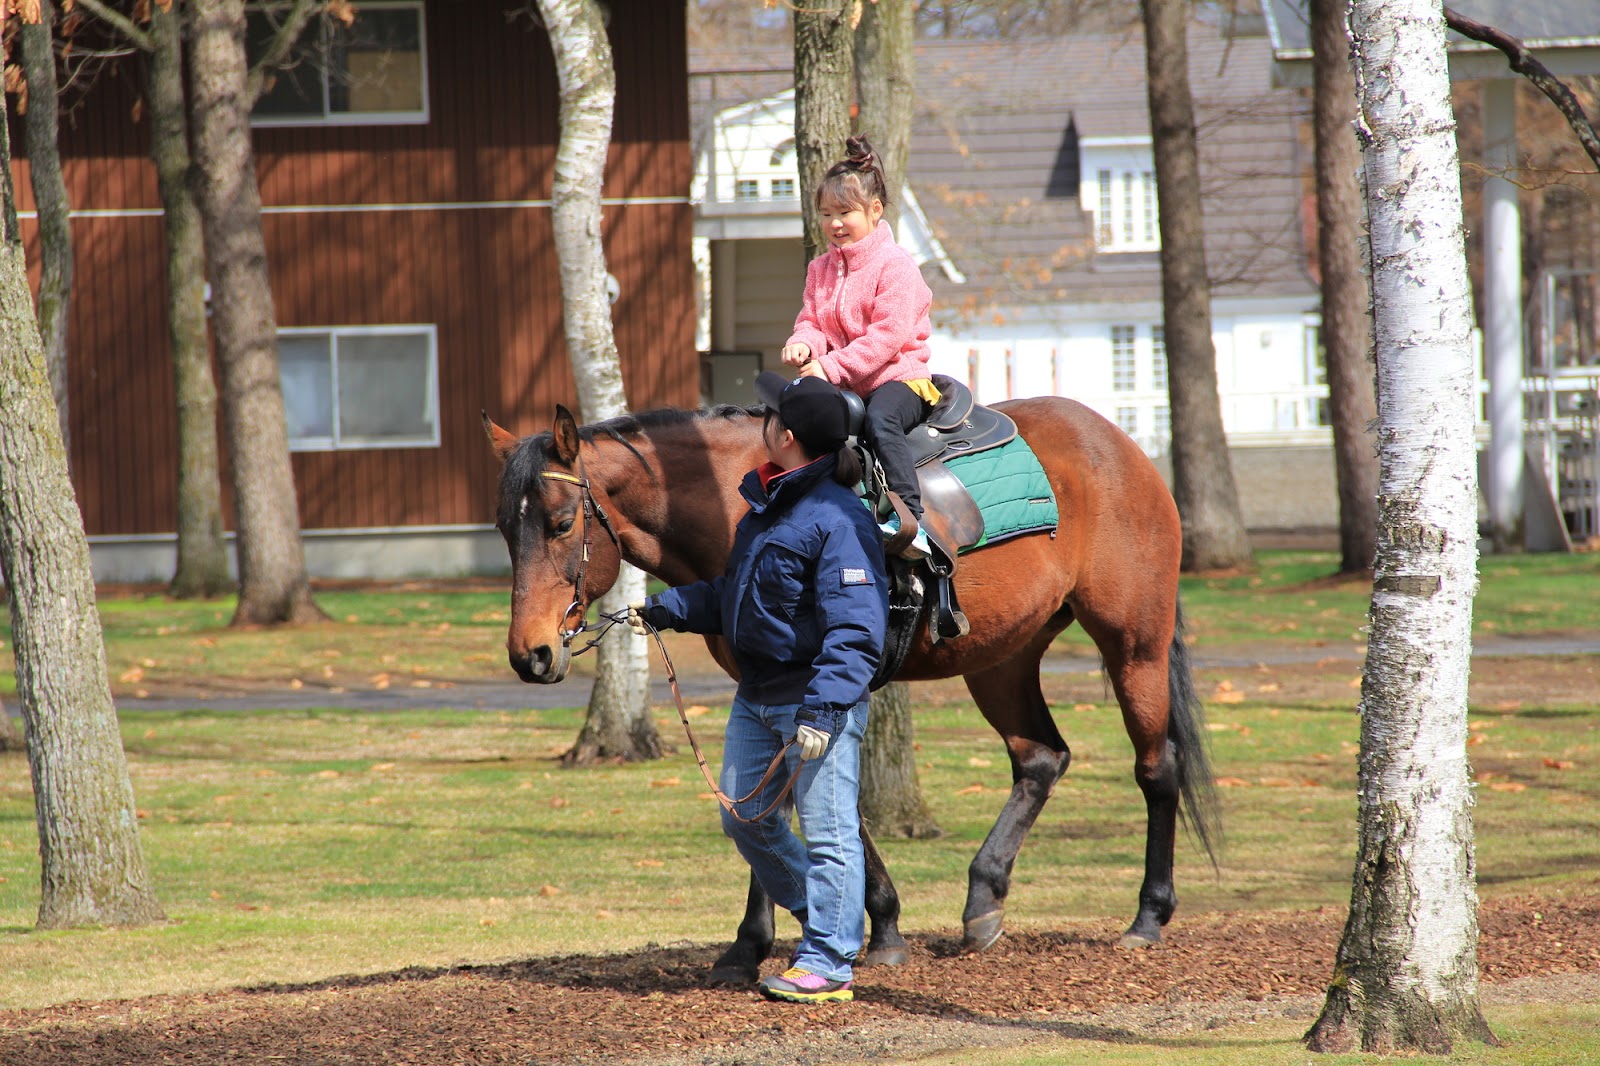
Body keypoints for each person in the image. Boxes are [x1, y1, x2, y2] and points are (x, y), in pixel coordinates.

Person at [627, 371, 888, 1005]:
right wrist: (672, 608)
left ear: (788, 436)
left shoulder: (838, 518)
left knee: (830, 835)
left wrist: (825, 710)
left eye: (770, 417)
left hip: (814, 703)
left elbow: (857, 627)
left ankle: (828, 962)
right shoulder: (765, 505)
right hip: (758, 697)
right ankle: (833, 923)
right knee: (743, 819)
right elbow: (735, 594)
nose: (761, 423)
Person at [781, 134, 938, 560]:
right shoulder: (820, 269)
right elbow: (813, 321)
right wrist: (802, 344)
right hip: (845, 380)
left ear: (874, 211)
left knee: (881, 421)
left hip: (897, 377)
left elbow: (886, 338)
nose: (834, 223)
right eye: (826, 213)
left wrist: (829, 369)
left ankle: (910, 520)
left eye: (844, 212)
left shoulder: (896, 267)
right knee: (791, 417)